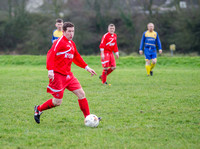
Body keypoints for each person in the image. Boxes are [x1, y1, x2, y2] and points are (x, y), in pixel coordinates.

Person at [34, 22, 99, 124]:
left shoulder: (71, 43)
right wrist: (50, 70)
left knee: (81, 94)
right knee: (57, 102)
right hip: (58, 75)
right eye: (69, 31)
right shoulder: (59, 42)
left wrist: (87, 67)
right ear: (64, 32)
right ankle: (38, 109)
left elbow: (76, 57)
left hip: (68, 75)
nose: (71, 34)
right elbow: (50, 55)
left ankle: (88, 118)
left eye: (73, 31)